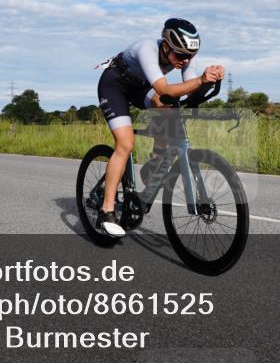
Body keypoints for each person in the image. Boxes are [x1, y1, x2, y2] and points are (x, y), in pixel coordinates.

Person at [94, 18, 225, 237]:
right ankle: (106, 211)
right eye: (180, 55)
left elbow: (188, 88)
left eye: (189, 56)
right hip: (115, 84)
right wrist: (201, 80)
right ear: (166, 46)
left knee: (168, 110)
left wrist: (210, 79)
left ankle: (155, 162)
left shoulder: (185, 56)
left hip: (141, 87)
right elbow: (164, 88)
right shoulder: (147, 48)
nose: (185, 61)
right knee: (125, 144)